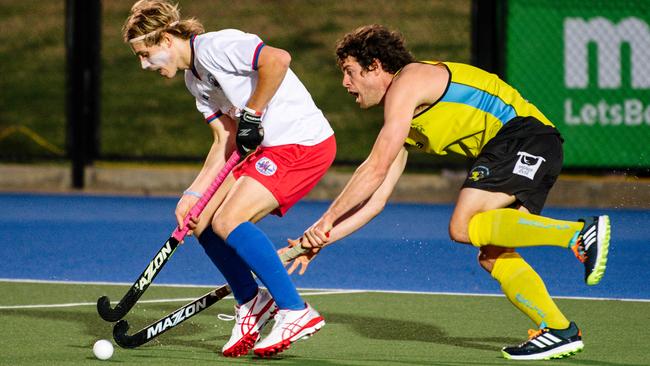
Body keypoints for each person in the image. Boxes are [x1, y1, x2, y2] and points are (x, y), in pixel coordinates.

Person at [285, 24, 611, 361]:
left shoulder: (409, 81)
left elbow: (373, 167)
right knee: (492, 254)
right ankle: (559, 330)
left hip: (522, 137)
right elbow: (376, 200)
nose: (345, 83)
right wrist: (322, 239)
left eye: (350, 72)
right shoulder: (404, 121)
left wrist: (323, 220)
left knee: (462, 224)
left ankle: (578, 233)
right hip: (528, 147)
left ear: (376, 66)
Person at [122, 0, 335, 358]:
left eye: (146, 54)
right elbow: (225, 140)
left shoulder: (217, 47)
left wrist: (253, 112)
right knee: (203, 220)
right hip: (269, 149)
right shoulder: (196, 82)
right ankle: (252, 302)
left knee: (229, 219)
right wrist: (193, 194)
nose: (144, 64)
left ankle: (295, 311)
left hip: (302, 143)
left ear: (168, 40)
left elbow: (277, 59)